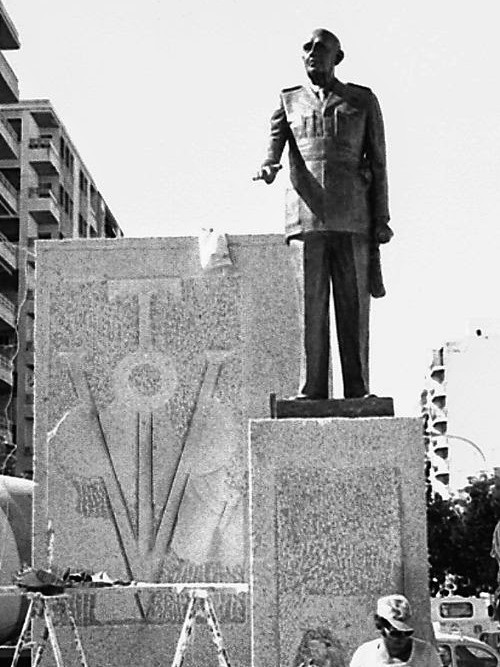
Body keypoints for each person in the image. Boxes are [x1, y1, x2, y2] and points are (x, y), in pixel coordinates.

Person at [254, 29, 393, 399]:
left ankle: (358, 389)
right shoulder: (289, 101)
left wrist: (382, 217)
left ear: (338, 57)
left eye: (321, 48)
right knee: (310, 311)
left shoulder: (361, 101)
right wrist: (268, 166)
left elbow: (378, 161)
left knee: (353, 309)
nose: (313, 53)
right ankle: (311, 388)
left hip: (352, 216)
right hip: (305, 217)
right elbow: (274, 147)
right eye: (307, 48)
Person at [349, 594, 442, 666]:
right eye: (395, 633)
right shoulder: (365, 654)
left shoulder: (426, 654)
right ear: (379, 625)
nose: (402, 638)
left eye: (407, 633)